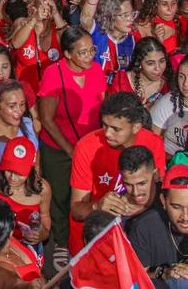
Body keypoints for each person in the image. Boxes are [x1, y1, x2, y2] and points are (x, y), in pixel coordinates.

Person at [36, 26, 108, 260]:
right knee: (60, 196)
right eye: (83, 52)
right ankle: (61, 242)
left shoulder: (96, 70)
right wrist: (70, 149)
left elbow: (103, 108)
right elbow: (46, 119)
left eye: (92, 50)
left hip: (91, 147)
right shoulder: (52, 74)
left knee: (87, 196)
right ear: (67, 54)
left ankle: (86, 238)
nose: (90, 56)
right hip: (59, 149)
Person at [69, 93, 166, 251]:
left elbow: (158, 189)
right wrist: (97, 206)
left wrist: (139, 207)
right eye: (104, 125)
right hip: (93, 242)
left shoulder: (153, 143)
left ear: (136, 127)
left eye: (116, 129)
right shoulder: (86, 147)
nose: (107, 133)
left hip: (137, 237)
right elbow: (77, 211)